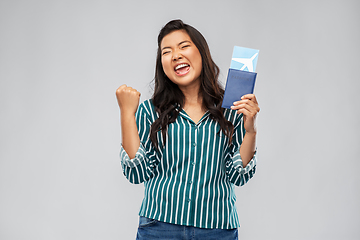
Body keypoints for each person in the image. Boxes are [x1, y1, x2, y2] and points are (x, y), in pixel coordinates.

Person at [116, 19, 260, 240]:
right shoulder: (150, 111)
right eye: (167, 51)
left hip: (217, 228)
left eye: (184, 46)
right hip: (159, 227)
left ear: (201, 53)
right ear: (161, 63)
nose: (175, 55)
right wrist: (127, 113)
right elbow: (137, 173)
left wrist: (250, 131)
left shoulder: (232, 108)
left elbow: (238, 175)